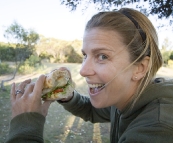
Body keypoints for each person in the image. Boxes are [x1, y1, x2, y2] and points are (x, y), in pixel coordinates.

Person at [6, 8, 173, 143]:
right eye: (85, 55)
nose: (83, 70)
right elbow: (92, 111)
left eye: (102, 56)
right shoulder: (123, 96)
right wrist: (67, 96)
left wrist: (25, 127)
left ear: (140, 68)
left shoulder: (159, 128)